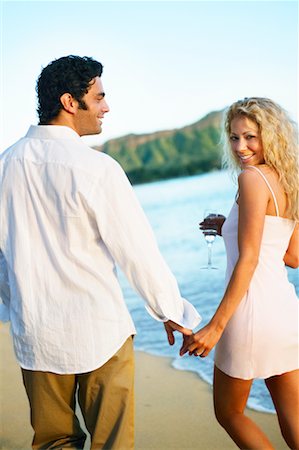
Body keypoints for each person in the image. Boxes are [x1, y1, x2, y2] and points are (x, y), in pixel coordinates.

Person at [0, 55, 201, 450]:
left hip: (36, 336)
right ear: (70, 102)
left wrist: (18, 309)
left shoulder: (4, 167)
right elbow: (138, 253)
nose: (107, 107)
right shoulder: (97, 168)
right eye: (100, 97)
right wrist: (171, 312)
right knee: (112, 446)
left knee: (53, 443)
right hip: (99, 333)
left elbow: (3, 262)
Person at [181, 97, 299, 449]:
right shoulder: (289, 181)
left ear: (271, 136)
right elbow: (291, 256)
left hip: (250, 314)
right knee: (293, 414)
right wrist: (228, 227)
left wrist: (214, 328)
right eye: (234, 138)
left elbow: (248, 259)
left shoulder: (251, 179)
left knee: (229, 413)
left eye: (250, 137)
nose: (241, 147)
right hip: (283, 311)